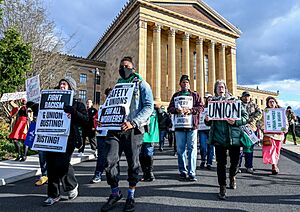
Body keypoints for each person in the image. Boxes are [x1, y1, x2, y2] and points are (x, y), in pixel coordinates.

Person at [100, 56, 153, 212]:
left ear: (133, 69)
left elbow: (148, 107)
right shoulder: (117, 87)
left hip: (133, 129)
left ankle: (131, 195)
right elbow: (110, 106)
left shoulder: (142, 84)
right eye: (121, 66)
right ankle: (115, 193)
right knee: (109, 161)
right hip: (114, 129)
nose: (124, 68)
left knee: (133, 163)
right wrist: (104, 119)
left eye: (127, 66)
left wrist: (134, 122)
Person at [44, 76, 88, 206]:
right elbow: (42, 113)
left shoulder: (78, 102)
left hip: (69, 137)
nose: (62, 86)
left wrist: (73, 112)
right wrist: (33, 106)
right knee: (51, 164)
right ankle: (53, 194)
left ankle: (71, 185)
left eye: (65, 84)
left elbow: (85, 120)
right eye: (60, 84)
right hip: (52, 137)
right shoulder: (51, 100)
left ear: (70, 87)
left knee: (62, 163)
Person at [205, 80, 248, 200]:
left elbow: (245, 117)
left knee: (234, 162)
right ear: (215, 89)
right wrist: (207, 120)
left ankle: (232, 176)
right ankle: (222, 186)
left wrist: (236, 122)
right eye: (218, 86)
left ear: (226, 88)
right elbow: (208, 122)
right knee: (221, 164)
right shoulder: (212, 103)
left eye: (222, 86)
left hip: (234, 137)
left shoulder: (235, 101)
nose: (220, 88)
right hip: (219, 138)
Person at [167, 75, 203, 181]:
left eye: (187, 82)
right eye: (183, 82)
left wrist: (191, 110)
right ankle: (183, 171)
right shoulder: (176, 95)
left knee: (192, 149)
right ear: (180, 84)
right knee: (180, 150)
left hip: (192, 126)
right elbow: (170, 108)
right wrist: (176, 110)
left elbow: (200, 107)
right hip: (179, 126)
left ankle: (192, 172)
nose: (185, 84)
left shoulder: (195, 95)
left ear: (189, 83)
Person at [90, 87, 112, 184]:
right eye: (109, 95)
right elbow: (95, 119)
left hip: (113, 135)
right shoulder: (102, 107)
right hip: (102, 134)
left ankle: (112, 174)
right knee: (101, 156)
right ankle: (98, 174)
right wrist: (96, 123)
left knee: (112, 156)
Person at [261, 96, 288, 175]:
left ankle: (274, 163)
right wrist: (263, 128)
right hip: (269, 135)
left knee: (277, 151)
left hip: (279, 135)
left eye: (273, 101)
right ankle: (274, 166)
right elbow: (261, 122)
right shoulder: (265, 112)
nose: (271, 103)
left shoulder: (281, 112)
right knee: (271, 150)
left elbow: (285, 122)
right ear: (267, 104)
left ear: (276, 103)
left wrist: (285, 128)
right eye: (270, 102)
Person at [238, 91, 262, 174]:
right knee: (239, 149)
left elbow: (260, 113)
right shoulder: (238, 104)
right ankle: (237, 166)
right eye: (245, 96)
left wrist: (252, 119)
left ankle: (249, 166)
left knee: (249, 148)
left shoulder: (254, 105)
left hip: (251, 129)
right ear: (242, 97)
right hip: (240, 128)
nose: (246, 98)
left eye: (248, 96)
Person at [140, 105, 159, 182]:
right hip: (140, 133)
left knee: (148, 153)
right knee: (141, 155)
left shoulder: (155, 110)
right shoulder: (139, 108)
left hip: (150, 134)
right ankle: (145, 173)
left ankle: (150, 172)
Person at [198, 93, 214, 170]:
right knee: (203, 146)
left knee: (211, 147)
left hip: (211, 129)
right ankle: (203, 160)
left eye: (210, 98)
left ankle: (209, 163)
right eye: (207, 98)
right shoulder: (202, 108)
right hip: (202, 129)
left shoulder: (215, 108)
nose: (209, 100)